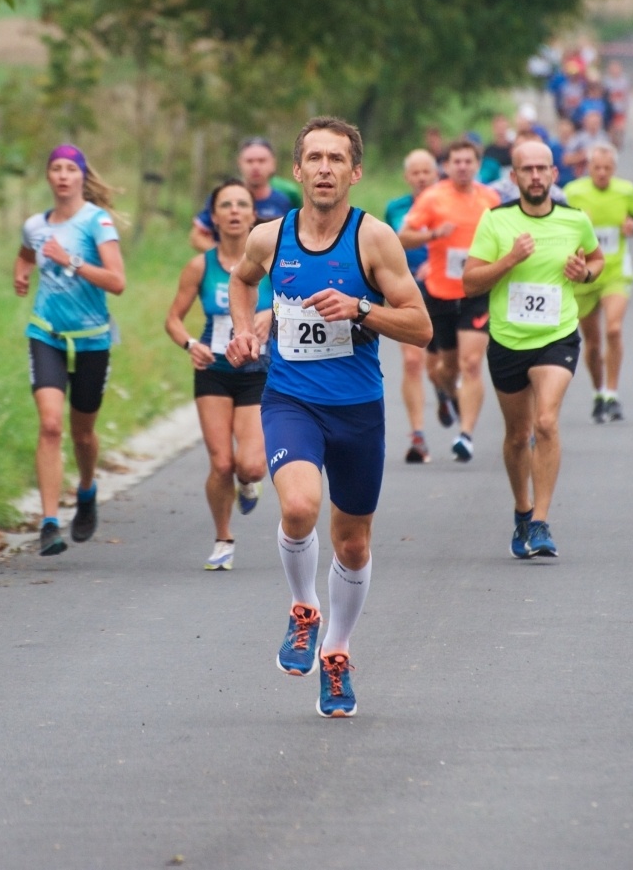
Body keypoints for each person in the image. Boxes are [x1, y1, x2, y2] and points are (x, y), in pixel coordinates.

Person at [226, 116, 431, 719]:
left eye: (335, 159)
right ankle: (303, 609)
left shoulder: (374, 240)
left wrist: (361, 308)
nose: (323, 168)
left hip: (358, 409)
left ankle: (336, 653)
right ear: (296, 170)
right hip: (291, 400)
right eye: (313, 158)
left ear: (355, 172)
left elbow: (420, 326)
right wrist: (244, 330)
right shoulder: (269, 237)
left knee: (354, 543)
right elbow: (241, 281)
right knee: (297, 507)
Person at [462, 140, 604, 560]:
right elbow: (470, 283)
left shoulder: (575, 220)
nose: (536, 176)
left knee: (545, 422)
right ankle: (522, 510)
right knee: (517, 435)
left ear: (554, 174)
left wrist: (585, 273)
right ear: (514, 176)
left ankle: (541, 522)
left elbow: (597, 261)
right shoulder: (495, 220)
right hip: (508, 340)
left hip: (557, 335)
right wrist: (509, 260)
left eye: (543, 168)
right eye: (527, 169)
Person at [15, 145, 128, 557]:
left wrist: (71, 260)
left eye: (70, 169)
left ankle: (86, 488)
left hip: (93, 339)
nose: (63, 175)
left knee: (82, 433)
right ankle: (49, 522)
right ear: (48, 176)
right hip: (46, 333)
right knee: (50, 425)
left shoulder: (97, 222)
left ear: (82, 176)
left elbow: (117, 282)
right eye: (56, 169)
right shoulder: (35, 224)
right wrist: (21, 273)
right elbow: (26, 253)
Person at [165, 179, 276, 570]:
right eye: (225, 205)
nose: (233, 211)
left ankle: (248, 484)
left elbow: (298, 303)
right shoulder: (201, 266)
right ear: (213, 217)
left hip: (257, 370)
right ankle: (223, 539)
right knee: (221, 464)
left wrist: (271, 313)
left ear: (253, 215)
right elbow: (173, 319)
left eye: (241, 204)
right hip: (214, 368)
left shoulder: (270, 263)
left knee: (250, 466)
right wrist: (189, 344)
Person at [398, 138, 500, 463]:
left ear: (477, 165)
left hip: (475, 293)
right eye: (456, 162)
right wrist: (432, 234)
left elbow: (505, 235)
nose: (463, 167)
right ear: (446, 166)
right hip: (440, 294)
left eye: (469, 161)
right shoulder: (433, 197)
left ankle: (465, 436)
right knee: (444, 369)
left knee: (471, 364)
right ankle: (447, 392)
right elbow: (403, 236)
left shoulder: (490, 199)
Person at [564, 143, 633, 424]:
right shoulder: (573, 192)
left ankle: (612, 393)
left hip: (615, 273)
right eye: (597, 168)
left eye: (607, 168)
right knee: (593, 343)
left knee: (613, 328)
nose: (601, 173)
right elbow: (560, 227)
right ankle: (598, 392)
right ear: (588, 168)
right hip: (584, 277)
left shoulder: (626, 190)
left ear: (614, 169)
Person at [383, 149, 442, 463]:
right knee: (412, 361)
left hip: (444, 288)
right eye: (415, 173)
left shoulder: (448, 203)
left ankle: (445, 389)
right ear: (407, 177)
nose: (421, 178)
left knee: (440, 366)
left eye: (426, 172)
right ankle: (418, 435)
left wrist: (436, 265)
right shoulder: (395, 208)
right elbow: (384, 247)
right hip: (406, 289)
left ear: (436, 174)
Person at [189, 137, 293, 250]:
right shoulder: (222, 197)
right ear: (239, 163)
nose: (255, 167)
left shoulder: (283, 201)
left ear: (273, 163)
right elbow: (197, 236)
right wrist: (223, 256)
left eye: (261, 161)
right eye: (249, 161)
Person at [565, 109, 611, 182]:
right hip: (582, 177)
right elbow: (566, 159)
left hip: (600, 176)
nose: (594, 125)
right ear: (585, 122)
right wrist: (582, 156)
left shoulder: (604, 137)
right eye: (591, 122)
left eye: (596, 122)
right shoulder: (578, 138)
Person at [604, 60, 631, 147]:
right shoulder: (606, 82)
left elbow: (627, 94)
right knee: (611, 129)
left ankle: (619, 143)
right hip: (610, 109)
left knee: (620, 128)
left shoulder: (624, 81)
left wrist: (626, 105)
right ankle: (612, 143)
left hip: (620, 108)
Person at [482, 114, 514, 184]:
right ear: (493, 128)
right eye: (498, 127)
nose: (500, 130)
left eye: (503, 127)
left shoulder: (514, 148)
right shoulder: (488, 150)